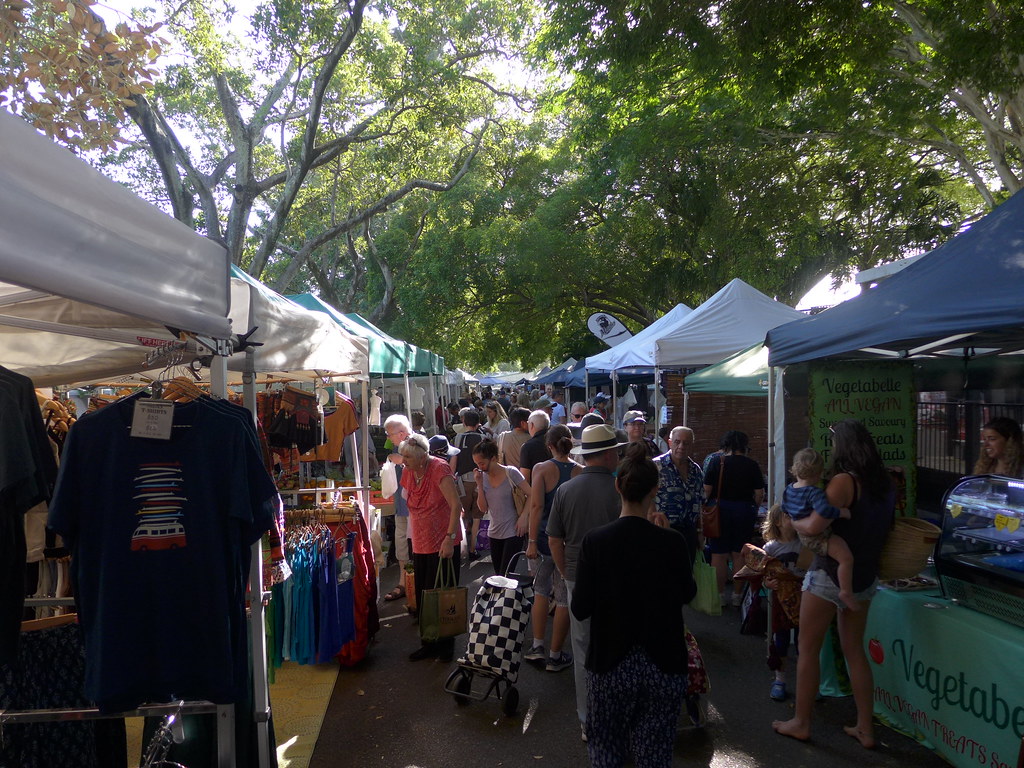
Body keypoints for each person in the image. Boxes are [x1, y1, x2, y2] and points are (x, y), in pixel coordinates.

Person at [772, 419, 895, 747]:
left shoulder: (843, 481)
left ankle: (801, 722)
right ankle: (865, 729)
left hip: (828, 575)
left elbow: (814, 526)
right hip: (865, 576)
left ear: (843, 447)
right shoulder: (884, 483)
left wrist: (793, 519)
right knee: (855, 651)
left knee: (808, 649)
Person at [572, 442, 697, 762]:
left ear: (618, 486)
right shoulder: (672, 542)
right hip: (664, 662)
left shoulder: (595, 542)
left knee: (607, 750)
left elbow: (581, 607)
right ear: (655, 490)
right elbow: (688, 593)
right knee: (654, 754)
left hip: (610, 662)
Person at [546, 424, 627, 740]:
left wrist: (566, 573)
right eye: (616, 452)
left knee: (582, 650)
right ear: (608, 454)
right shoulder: (621, 488)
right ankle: (616, 712)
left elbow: (555, 539)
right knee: (619, 645)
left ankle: (588, 717)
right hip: (617, 580)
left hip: (578, 577)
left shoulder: (567, 489)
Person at [397, 433, 464, 662]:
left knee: (443, 595)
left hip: (442, 541)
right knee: (424, 595)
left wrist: (449, 538)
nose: (403, 460)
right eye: (403, 455)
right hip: (421, 540)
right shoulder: (408, 471)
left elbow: (456, 506)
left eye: (407, 456)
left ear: (423, 456)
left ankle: (446, 646)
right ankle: (428, 642)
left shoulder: (439, 469)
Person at [524, 425, 580, 673]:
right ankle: (555, 655)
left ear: (549, 446)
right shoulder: (580, 471)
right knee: (563, 598)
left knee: (540, 591)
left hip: (544, 540)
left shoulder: (541, 469)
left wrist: (532, 541)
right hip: (568, 544)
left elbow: (536, 507)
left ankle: (537, 647)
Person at [783, 448, 857, 612]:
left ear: (795, 469)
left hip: (802, 535)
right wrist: (842, 512)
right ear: (819, 473)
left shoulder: (789, 489)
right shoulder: (814, 493)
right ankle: (845, 591)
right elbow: (824, 511)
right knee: (846, 558)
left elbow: (784, 507)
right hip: (819, 536)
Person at [704, 430, 766, 607]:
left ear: (726, 445)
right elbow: (759, 493)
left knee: (718, 554)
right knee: (740, 554)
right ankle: (738, 596)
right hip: (744, 510)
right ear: (744, 445)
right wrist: (752, 507)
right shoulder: (752, 465)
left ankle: (720, 595)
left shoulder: (717, 462)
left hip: (719, 511)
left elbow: (707, 490)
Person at [761, 503, 806, 701]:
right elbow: (762, 574)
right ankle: (779, 679)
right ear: (778, 522)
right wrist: (767, 584)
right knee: (780, 641)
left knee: (803, 642)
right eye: (789, 516)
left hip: (803, 597)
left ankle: (807, 682)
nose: (794, 519)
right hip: (780, 600)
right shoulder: (770, 548)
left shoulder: (804, 543)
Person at [471, 440, 531, 576]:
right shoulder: (482, 477)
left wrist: (524, 517)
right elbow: (483, 508)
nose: (480, 467)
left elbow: (531, 494)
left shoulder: (511, 472)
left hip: (513, 531)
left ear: (493, 458)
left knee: (506, 574)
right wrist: (479, 484)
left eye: (482, 463)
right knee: (498, 575)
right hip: (494, 532)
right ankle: (504, 598)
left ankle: (511, 597)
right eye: (476, 464)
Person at [651, 426, 704, 563]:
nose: (681, 446)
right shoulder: (656, 466)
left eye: (686, 443)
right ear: (669, 442)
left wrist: (699, 531)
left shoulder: (696, 470)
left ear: (691, 445)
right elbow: (646, 497)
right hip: (663, 531)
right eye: (677, 442)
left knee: (687, 574)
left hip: (688, 533)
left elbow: (698, 503)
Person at [382, 414, 413, 603]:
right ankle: (403, 582)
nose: (387, 438)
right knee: (401, 542)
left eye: (389, 434)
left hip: (417, 507)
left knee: (417, 545)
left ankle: (415, 584)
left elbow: (425, 466)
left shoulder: (418, 443)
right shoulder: (395, 445)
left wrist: (401, 460)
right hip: (401, 504)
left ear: (401, 433)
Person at [452, 409, 487, 561]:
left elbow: (454, 463)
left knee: (462, 515)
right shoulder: (484, 438)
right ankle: (473, 549)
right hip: (480, 481)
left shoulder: (457, 438)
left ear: (464, 422)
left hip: (462, 483)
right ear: (478, 423)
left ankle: (462, 548)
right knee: (477, 516)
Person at [519, 409, 551, 485]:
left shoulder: (527, 447)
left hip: (537, 492)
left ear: (532, 425)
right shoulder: (556, 441)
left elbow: (525, 478)